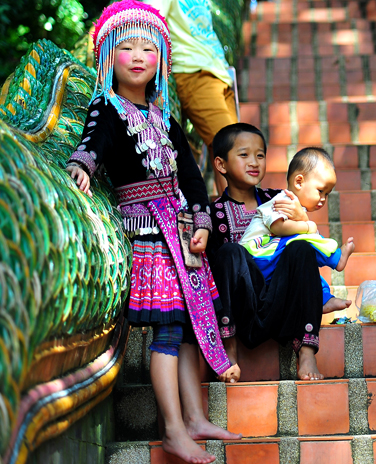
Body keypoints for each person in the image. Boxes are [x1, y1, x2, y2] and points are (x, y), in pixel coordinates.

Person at [64, 2, 240, 462]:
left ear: (162, 56)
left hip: (182, 237)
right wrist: (82, 167)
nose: (138, 54)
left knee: (186, 329)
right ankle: (172, 428)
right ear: (107, 56)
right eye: (126, 46)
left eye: (148, 46)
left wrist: (202, 224)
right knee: (166, 329)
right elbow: (92, 143)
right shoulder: (107, 107)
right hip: (148, 236)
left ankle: (196, 417)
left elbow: (193, 180)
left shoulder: (165, 119)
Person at [206, 123, 353, 383]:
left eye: (260, 155)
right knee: (229, 253)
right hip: (242, 307)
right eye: (244, 155)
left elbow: (307, 229)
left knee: (301, 248)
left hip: (282, 300)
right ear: (220, 165)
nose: (254, 162)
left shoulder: (280, 199)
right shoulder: (213, 213)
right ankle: (228, 349)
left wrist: (307, 223)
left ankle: (307, 351)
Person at [143, 0, 237, 195]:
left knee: (228, 150)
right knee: (233, 148)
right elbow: (149, 22)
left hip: (218, 72)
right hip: (194, 72)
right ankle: (239, 219)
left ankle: (232, 219)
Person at [239, 147, 355, 283]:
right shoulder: (283, 200)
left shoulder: (294, 206)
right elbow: (278, 227)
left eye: (327, 194)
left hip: (267, 255)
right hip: (254, 254)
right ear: (299, 182)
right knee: (305, 242)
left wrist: (305, 224)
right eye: (321, 191)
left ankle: (326, 298)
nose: (323, 198)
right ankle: (336, 258)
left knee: (306, 265)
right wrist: (307, 226)